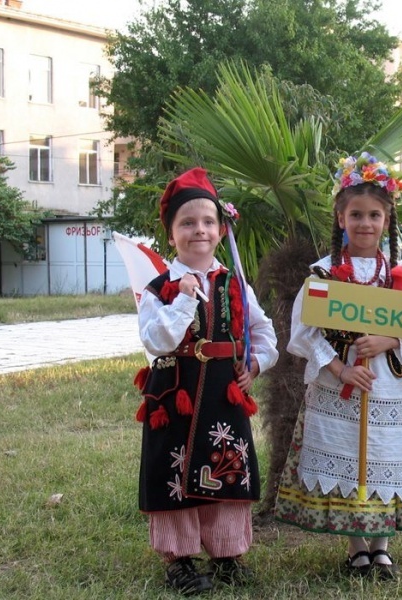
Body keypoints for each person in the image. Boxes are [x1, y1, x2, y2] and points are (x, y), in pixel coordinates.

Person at [275, 152, 402, 580]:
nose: (365, 223)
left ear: (387, 219)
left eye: (374, 215)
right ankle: (355, 547)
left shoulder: (401, 276)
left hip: (384, 385)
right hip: (339, 386)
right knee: (346, 451)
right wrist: (340, 369)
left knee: (382, 454)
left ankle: (381, 547)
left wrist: (390, 339)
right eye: (357, 215)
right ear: (341, 218)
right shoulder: (323, 275)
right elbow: (304, 333)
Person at [132, 167, 279, 595]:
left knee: (226, 466)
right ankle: (179, 558)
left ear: (220, 230)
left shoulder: (235, 283)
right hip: (174, 394)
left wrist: (256, 364)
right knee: (174, 470)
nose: (199, 230)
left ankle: (227, 553)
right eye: (187, 223)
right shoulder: (159, 289)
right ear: (171, 234)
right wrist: (183, 297)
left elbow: (264, 332)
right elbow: (156, 341)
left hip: (222, 392)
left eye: (208, 222)